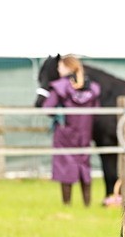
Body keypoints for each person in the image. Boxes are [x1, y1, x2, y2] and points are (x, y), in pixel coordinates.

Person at [43, 54, 101, 206]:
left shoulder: (60, 86)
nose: (58, 69)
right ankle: (86, 203)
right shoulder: (91, 88)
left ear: (68, 67)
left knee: (65, 166)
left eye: (60, 66)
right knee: (84, 165)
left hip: (65, 134)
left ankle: (67, 204)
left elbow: (47, 108)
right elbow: (97, 110)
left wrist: (59, 112)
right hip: (84, 134)